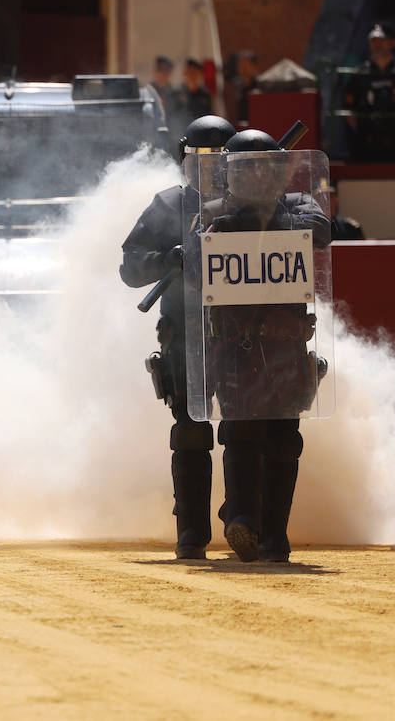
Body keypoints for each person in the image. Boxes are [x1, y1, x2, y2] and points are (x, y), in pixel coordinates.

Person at [195, 130, 332, 563]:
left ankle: (276, 536)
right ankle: (242, 519)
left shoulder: (298, 207)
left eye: (264, 165)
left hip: (287, 345)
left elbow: (321, 230)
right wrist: (235, 224)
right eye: (245, 166)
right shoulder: (211, 213)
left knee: (284, 437)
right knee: (238, 431)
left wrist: (256, 220)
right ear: (228, 174)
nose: (256, 174)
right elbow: (197, 264)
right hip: (234, 345)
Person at [120, 114, 237, 560]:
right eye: (198, 163)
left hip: (246, 333)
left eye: (218, 164)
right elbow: (131, 267)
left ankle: (242, 514)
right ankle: (191, 532)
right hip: (185, 332)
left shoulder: (256, 203)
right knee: (190, 431)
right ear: (184, 163)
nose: (207, 173)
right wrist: (169, 257)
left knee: (246, 427)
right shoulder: (169, 206)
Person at [342, 23, 395, 162]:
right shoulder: (359, 75)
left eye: (382, 40)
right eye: (373, 41)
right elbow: (349, 110)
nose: (377, 44)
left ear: (393, 43)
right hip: (367, 144)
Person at [224, 50, 259, 126]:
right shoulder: (237, 86)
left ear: (254, 67)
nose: (242, 68)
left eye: (245, 65)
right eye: (240, 65)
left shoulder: (261, 86)